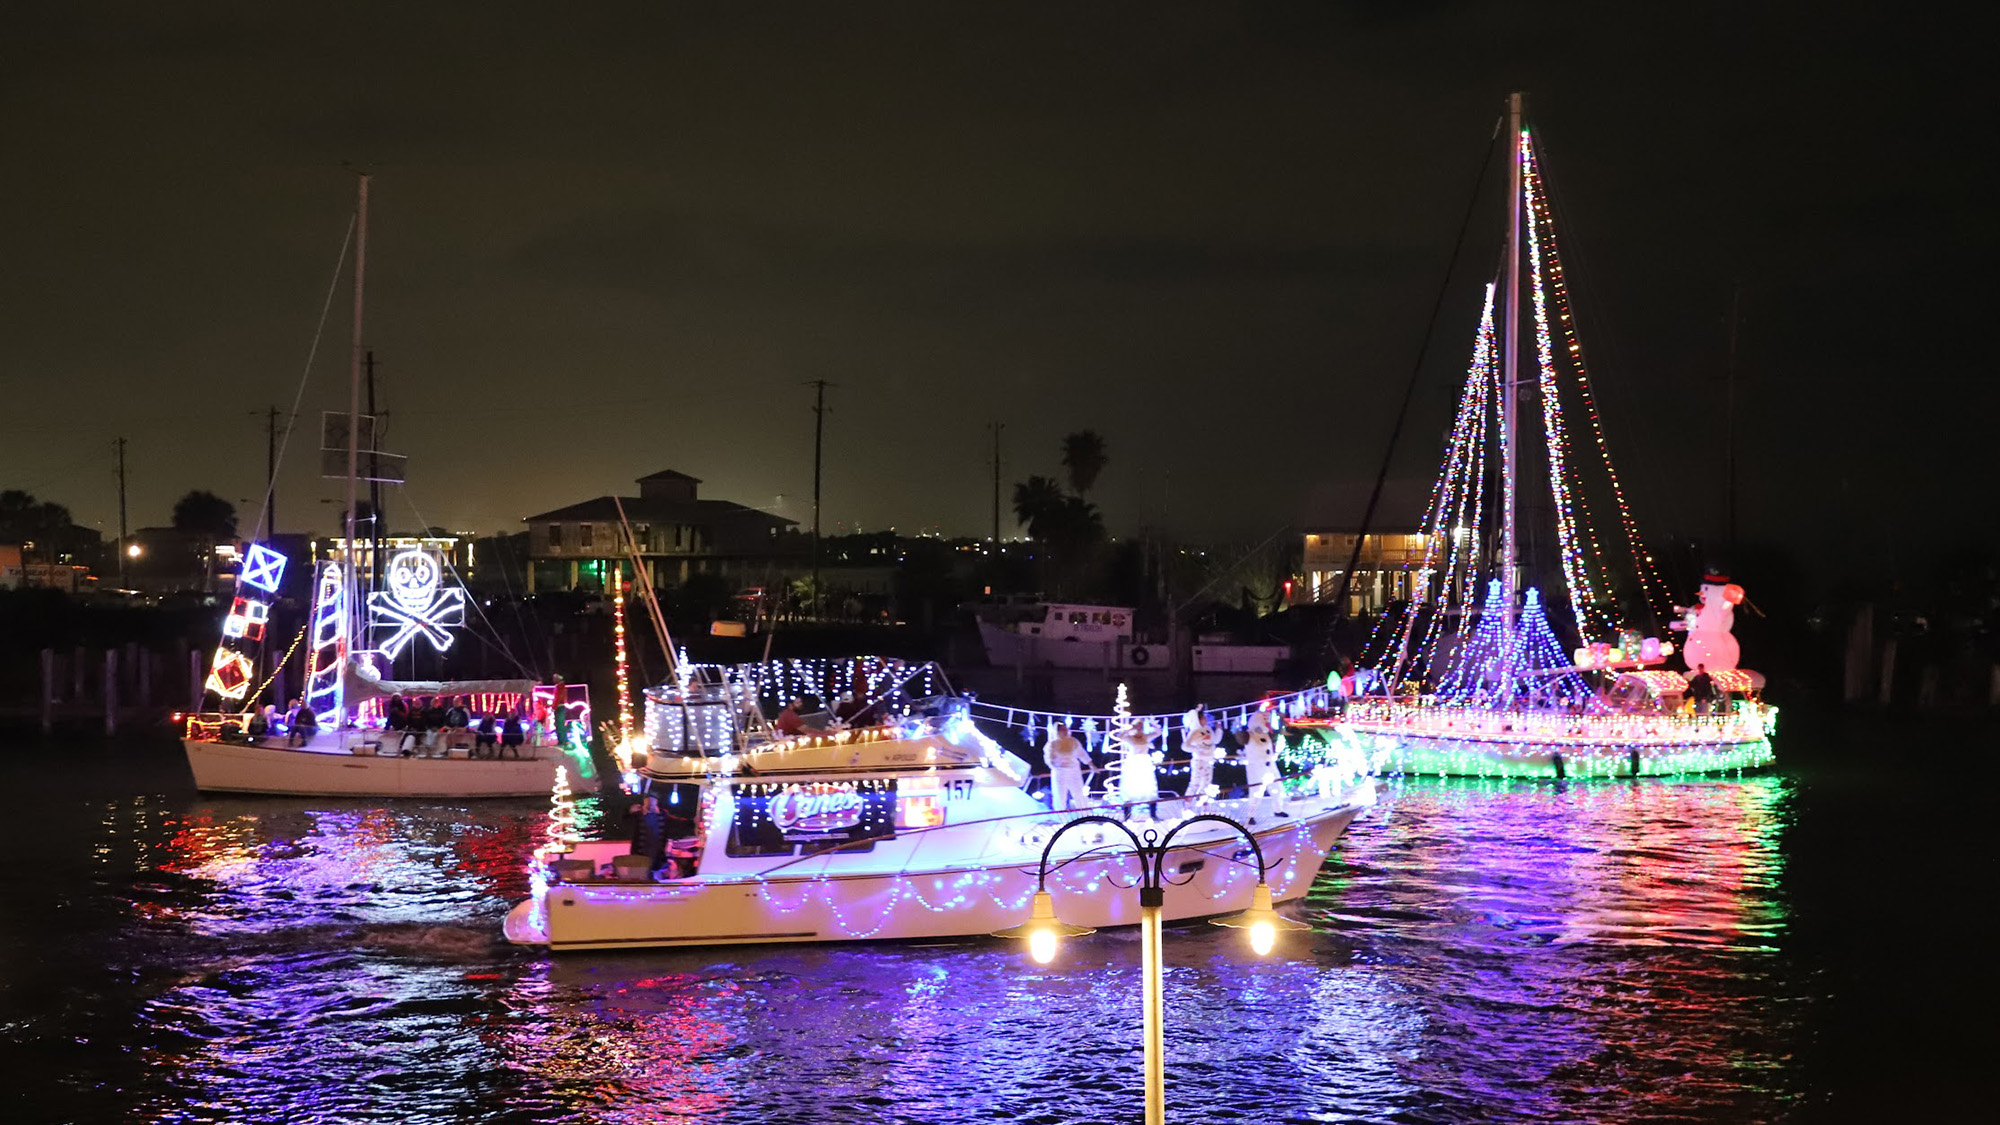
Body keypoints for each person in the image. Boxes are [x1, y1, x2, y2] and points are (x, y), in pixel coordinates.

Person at [1043, 723, 1092, 811]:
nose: (1065, 732)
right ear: (1057, 732)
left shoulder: (1073, 741)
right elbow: (1049, 759)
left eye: (1066, 729)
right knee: (1060, 796)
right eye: (1063, 730)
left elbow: (1082, 754)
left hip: (1074, 772)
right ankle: (1061, 818)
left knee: (1079, 794)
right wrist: (1057, 764)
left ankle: (1085, 815)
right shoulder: (1052, 744)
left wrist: (1091, 765)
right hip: (1060, 772)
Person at [1182, 707, 1223, 804]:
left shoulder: (1208, 729)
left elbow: (1215, 740)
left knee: (1207, 783)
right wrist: (1197, 749)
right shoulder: (1194, 731)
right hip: (1199, 760)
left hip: (1209, 760)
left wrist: (1219, 729)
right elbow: (1185, 746)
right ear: (1198, 719)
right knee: (1195, 783)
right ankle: (1187, 805)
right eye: (1203, 718)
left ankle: (1204, 804)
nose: (1205, 719)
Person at [1242, 710, 1279, 800]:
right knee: (1256, 791)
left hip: (1270, 765)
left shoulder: (1267, 735)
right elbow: (1240, 738)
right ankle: (1251, 813)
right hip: (1256, 766)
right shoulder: (1248, 735)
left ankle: (1279, 809)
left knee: (1277, 788)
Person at [629, 792, 668, 874]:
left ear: (656, 802)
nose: (650, 803)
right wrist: (630, 812)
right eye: (648, 801)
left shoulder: (663, 815)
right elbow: (624, 821)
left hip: (657, 855)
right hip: (640, 854)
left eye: (653, 800)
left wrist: (692, 821)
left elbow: (677, 822)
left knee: (656, 873)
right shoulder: (638, 816)